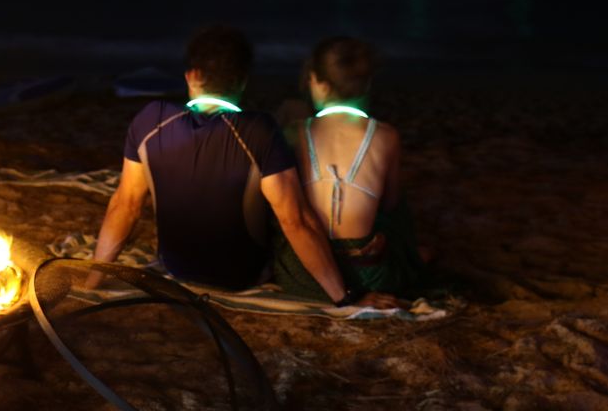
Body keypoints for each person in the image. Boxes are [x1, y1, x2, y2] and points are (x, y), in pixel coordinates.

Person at [93, 25, 393, 307]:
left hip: (177, 269)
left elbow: (125, 205)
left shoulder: (150, 120)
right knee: (283, 211)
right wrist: (346, 297)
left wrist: (94, 281)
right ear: (243, 80)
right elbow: (295, 220)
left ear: (192, 75)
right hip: (242, 277)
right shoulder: (259, 132)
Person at [273, 37, 428, 299]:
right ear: (367, 83)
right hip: (369, 271)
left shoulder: (293, 132)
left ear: (317, 82)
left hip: (306, 274)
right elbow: (390, 205)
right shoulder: (386, 136)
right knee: (398, 217)